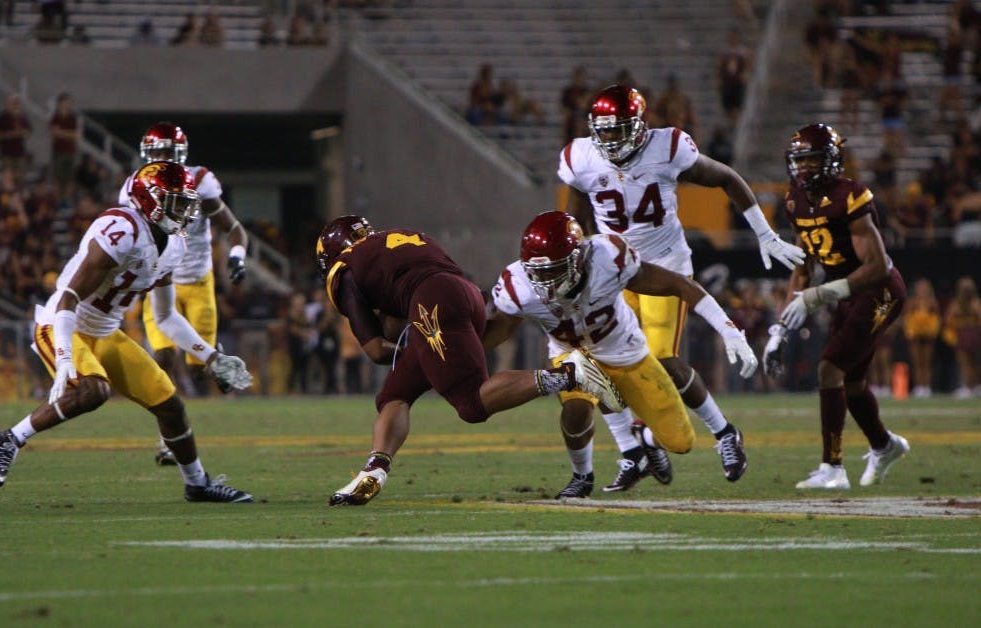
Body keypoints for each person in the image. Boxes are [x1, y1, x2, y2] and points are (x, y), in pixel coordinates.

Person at [560, 85, 805, 482]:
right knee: (601, 364)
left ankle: (725, 432)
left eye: (618, 129)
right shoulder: (580, 156)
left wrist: (764, 233)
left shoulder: (668, 146)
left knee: (661, 360)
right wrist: (583, 265)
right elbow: (574, 224)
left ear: (639, 127)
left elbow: (727, 177)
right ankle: (633, 450)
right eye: (602, 130)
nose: (609, 139)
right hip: (611, 269)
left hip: (663, 265)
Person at [0, 161, 254, 502]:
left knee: (169, 405)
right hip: (63, 323)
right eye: (176, 201)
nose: (185, 211)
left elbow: (167, 317)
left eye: (186, 202)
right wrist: (65, 356)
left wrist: (211, 356)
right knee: (94, 390)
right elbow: (68, 297)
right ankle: (9, 438)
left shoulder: (174, 245)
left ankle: (197, 484)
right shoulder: (121, 229)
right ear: (151, 200)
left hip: (106, 331)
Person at [316, 215, 624, 506]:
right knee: (394, 394)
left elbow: (375, 350)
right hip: (467, 294)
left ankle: (569, 375)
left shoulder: (344, 268)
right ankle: (375, 470)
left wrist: (404, 339)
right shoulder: (399, 239)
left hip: (432, 303)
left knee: (472, 404)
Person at [484, 211, 758, 498]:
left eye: (554, 269)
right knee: (576, 407)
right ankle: (582, 476)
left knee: (681, 442)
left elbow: (679, 285)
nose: (544, 280)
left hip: (625, 352)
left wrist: (727, 328)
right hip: (572, 356)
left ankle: (645, 443)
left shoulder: (608, 259)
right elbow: (495, 334)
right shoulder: (518, 285)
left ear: (578, 259)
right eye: (537, 272)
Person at [763, 123, 908, 490]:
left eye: (812, 160)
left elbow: (875, 266)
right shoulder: (795, 199)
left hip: (880, 289)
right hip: (846, 292)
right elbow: (803, 266)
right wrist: (780, 328)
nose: (804, 169)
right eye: (800, 161)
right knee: (853, 383)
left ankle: (833, 467)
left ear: (830, 160)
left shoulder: (851, 195)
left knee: (829, 368)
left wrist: (822, 294)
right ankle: (884, 445)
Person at [117, 122, 249, 465]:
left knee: (196, 371)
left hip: (197, 279)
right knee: (163, 359)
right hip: (160, 279)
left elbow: (232, 227)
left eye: (167, 153)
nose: (161, 158)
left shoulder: (199, 181)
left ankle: (211, 357)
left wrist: (236, 255)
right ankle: (167, 440)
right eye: (156, 153)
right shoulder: (136, 186)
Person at [943, 276, 981, 398]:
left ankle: (974, 386)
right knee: (965, 362)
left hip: (974, 334)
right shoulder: (956, 304)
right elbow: (947, 319)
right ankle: (969, 387)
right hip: (962, 334)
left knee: (974, 362)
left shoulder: (975, 303)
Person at [903, 277, 941, 397]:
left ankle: (927, 387)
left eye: (924, 287)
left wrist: (932, 329)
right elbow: (907, 316)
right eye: (920, 287)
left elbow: (937, 317)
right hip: (915, 335)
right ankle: (919, 386)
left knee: (927, 362)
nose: (922, 289)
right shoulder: (912, 301)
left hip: (928, 335)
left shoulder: (932, 302)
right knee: (917, 362)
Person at [49, 92, 80, 204]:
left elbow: (76, 134)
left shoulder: (72, 118)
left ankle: (66, 201)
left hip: (70, 151)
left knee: (69, 178)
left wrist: (62, 133)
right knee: (58, 177)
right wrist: (68, 134)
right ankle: (57, 201)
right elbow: (54, 133)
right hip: (59, 151)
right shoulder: (56, 117)